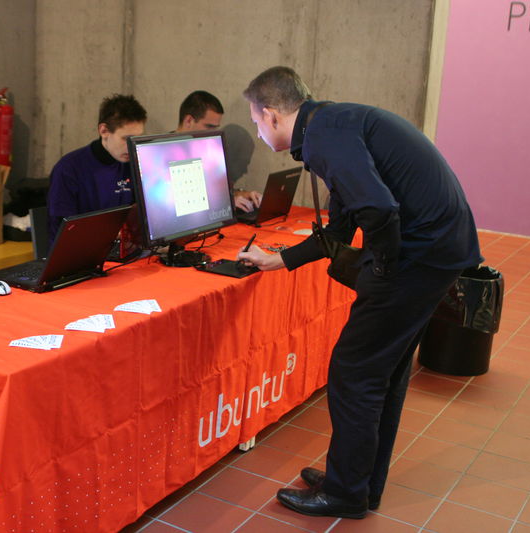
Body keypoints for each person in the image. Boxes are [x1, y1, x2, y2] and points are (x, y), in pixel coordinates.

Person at [238, 66, 482, 519]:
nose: (256, 131)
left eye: (255, 121)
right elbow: (344, 224)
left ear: (271, 115)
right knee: (381, 375)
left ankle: (346, 492)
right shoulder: (331, 124)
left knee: (354, 371)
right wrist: (282, 259)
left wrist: (382, 276)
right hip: (438, 249)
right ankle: (359, 482)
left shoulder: (327, 136)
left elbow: (379, 208)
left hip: (419, 256)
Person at [46, 94, 147, 242]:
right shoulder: (69, 169)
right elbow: (64, 229)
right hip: (81, 252)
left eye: (136, 139)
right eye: (126, 139)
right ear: (104, 131)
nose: (132, 147)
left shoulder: (133, 164)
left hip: (123, 249)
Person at [176, 90, 262, 212]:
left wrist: (239, 194)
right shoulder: (162, 153)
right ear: (189, 121)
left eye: (216, 128)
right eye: (209, 127)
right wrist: (225, 202)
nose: (213, 134)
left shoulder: (208, 151)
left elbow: (214, 191)